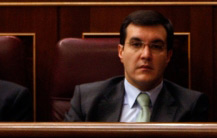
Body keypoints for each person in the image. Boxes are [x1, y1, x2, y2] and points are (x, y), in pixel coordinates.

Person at [65, 10, 208, 122]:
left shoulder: (191, 105)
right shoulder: (87, 99)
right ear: (121, 52)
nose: (146, 55)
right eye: (136, 45)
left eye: (156, 46)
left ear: (168, 56)